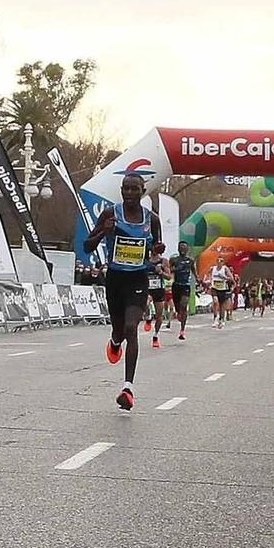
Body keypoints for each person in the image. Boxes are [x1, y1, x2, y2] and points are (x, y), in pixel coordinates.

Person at [83, 170, 163, 411]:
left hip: (138, 280)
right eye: (125, 188)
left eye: (133, 189)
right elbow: (87, 246)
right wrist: (102, 232)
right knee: (119, 329)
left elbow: (155, 251)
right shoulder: (110, 214)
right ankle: (115, 342)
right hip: (115, 280)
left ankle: (127, 388)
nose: (129, 193)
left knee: (131, 328)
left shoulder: (152, 219)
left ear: (142, 191)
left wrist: (157, 248)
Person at [168, 244, 196, 340]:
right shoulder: (174, 260)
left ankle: (182, 331)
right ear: (178, 249)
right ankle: (179, 313)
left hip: (186, 285)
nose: (182, 249)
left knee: (183, 305)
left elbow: (194, 271)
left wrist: (199, 279)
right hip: (176, 285)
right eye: (181, 248)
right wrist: (175, 269)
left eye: (184, 248)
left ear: (187, 249)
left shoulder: (190, 260)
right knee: (178, 308)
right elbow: (169, 270)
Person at [144, 257, 170, 348]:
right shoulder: (145, 260)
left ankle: (155, 336)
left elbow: (169, 276)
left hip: (159, 290)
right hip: (148, 289)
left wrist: (161, 272)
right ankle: (148, 317)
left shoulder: (163, 261)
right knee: (146, 303)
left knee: (159, 317)